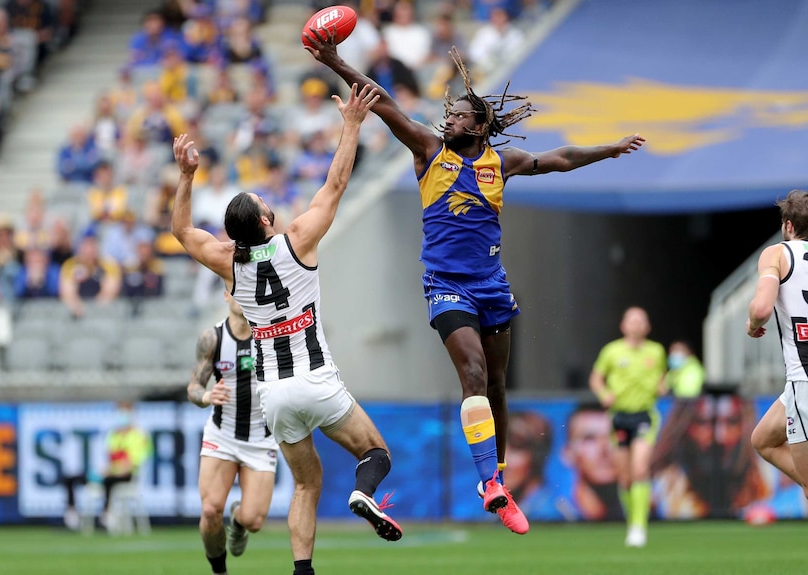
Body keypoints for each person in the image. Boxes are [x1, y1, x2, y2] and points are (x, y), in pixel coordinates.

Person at [306, 31, 645, 535]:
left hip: (491, 284)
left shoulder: (498, 164)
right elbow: (383, 100)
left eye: (462, 115)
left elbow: (560, 158)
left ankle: (498, 479)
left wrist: (609, 150)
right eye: (450, 113)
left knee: (496, 386)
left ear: (482, 125)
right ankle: (489, 483)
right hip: (446, 285)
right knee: (472, 370)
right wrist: (336, 60)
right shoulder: (427, 149)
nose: (451, 119)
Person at [171, 83, 402, 575]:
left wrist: (187, 176)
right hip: (317, 380)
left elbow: (182, 232)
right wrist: (352, 125)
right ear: (264, 218)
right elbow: (336, 184)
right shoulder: (297, 240)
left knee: (305, 484)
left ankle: (302, 571)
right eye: (262, 199)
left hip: (273, 395)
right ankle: (363, 493)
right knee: (375, 453)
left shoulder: (229, 264)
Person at [187, 291, 278, 575]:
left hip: (260, 437)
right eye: (235, 290)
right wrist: (206, 396)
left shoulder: (271, 335)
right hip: (222, 434)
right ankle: (219, 571)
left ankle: (238, 522)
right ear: (226, 295)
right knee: (211, 510)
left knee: (254, 520)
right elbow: (193, 387)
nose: (241, 296)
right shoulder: (212, 338)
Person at [747, 189, 808, 501]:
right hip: (796, 388)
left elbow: (760, 309)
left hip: (805, 380)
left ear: (788, 226)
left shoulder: (778, 254)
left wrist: (752, 324)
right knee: (763, 439)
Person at [589, 306, 667, 546]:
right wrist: (603, 394)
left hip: (644, 415)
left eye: (640, 321)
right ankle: (632, 519)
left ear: (647, 326)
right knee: (625, 477)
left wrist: (662, 385)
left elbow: (663, 375)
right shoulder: (612, 351)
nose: (636, 325)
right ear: (623, 326)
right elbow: (596, 377)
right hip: (619, 417)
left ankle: (638, 527)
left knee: (640, 469)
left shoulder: (656, 350)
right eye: (631, 321)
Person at [651, 394, 770, 519]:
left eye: (732, 422)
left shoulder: (771, 482)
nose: (720, 438)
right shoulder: (659, 490)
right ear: (684, 425)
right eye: (703, 422)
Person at [63, 402, 152, 531]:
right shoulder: (113, 435)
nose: (121, 417)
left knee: (109, 481)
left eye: (124, 413)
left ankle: (106, 515)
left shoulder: (139, 435)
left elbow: (133, 463)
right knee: (71, 478)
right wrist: (105, 470)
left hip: (126, 476)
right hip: (109, 473)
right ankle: (72, 516)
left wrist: (113, 471)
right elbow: (109, 459)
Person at [559, 403, 622, 521]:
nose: (604, 449)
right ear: (568, 454)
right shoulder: (554, 510)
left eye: (613, 437)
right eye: (590, 439)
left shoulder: (650, 506)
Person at [502, 411, 561, 520]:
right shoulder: (488, 511)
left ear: (538, 456)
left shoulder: (552, 515)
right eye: (498, 447)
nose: (502, 460)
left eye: (517, 447)